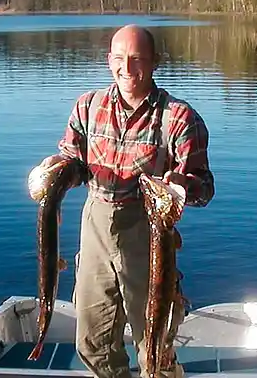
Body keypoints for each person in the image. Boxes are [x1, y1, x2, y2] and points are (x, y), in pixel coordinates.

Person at [29, 24, 215, 378]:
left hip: (148, 236)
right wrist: (58, 171)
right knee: (92, 343)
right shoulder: (87, 106)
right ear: (108, 61)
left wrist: (182, 186)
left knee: (154, 346)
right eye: (119, 59)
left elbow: (204, 187)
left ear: (155, 62)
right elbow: (76, 165)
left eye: (137, 59)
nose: (127, 69)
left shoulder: (179, 118)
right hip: (95, 229)